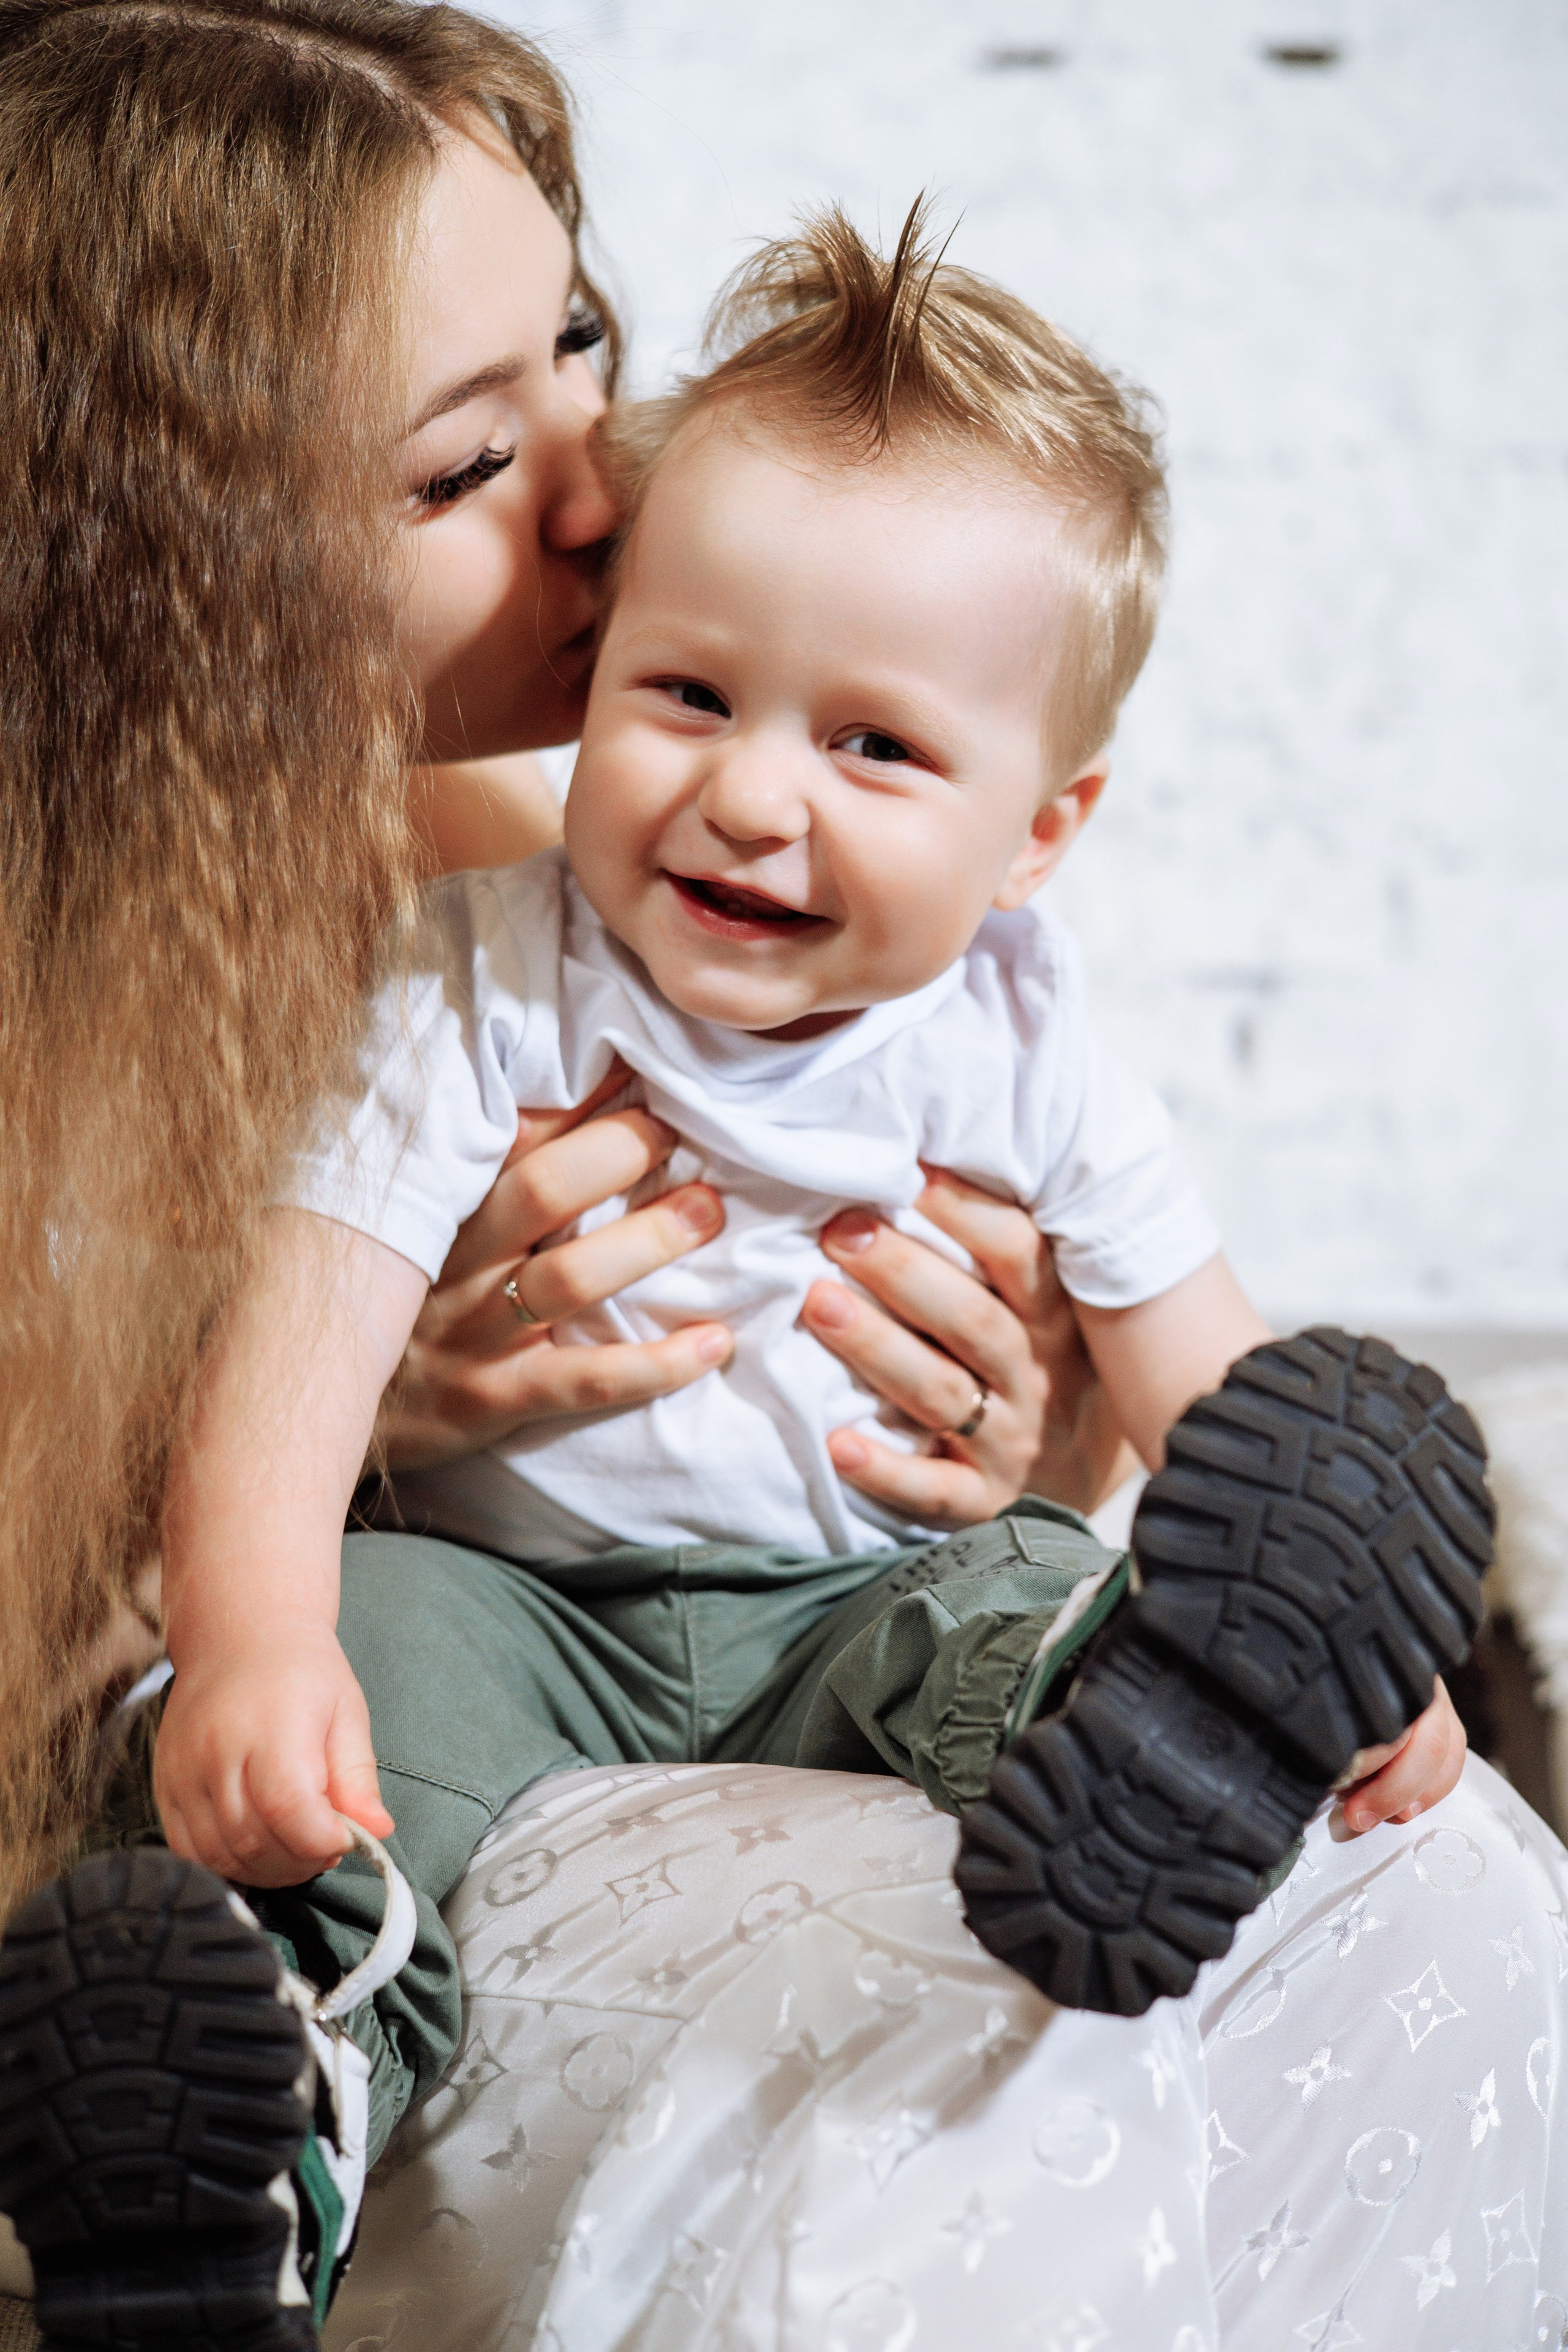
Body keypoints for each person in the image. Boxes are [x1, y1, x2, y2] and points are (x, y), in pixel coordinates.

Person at [0, 9, 1547, 2352]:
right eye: (463, 467)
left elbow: (1148, 1354)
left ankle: (1162, 1744)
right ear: (170, 570)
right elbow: (268, 1431)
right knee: (488, 1837)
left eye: (586, 348)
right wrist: (318, 1525)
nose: (610, 496)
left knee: (1307, 1853)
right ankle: (261, 2121)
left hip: (854, 1631)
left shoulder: (628, 845)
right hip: (482, 1685)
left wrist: (1063, 1433)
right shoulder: (493, 952)